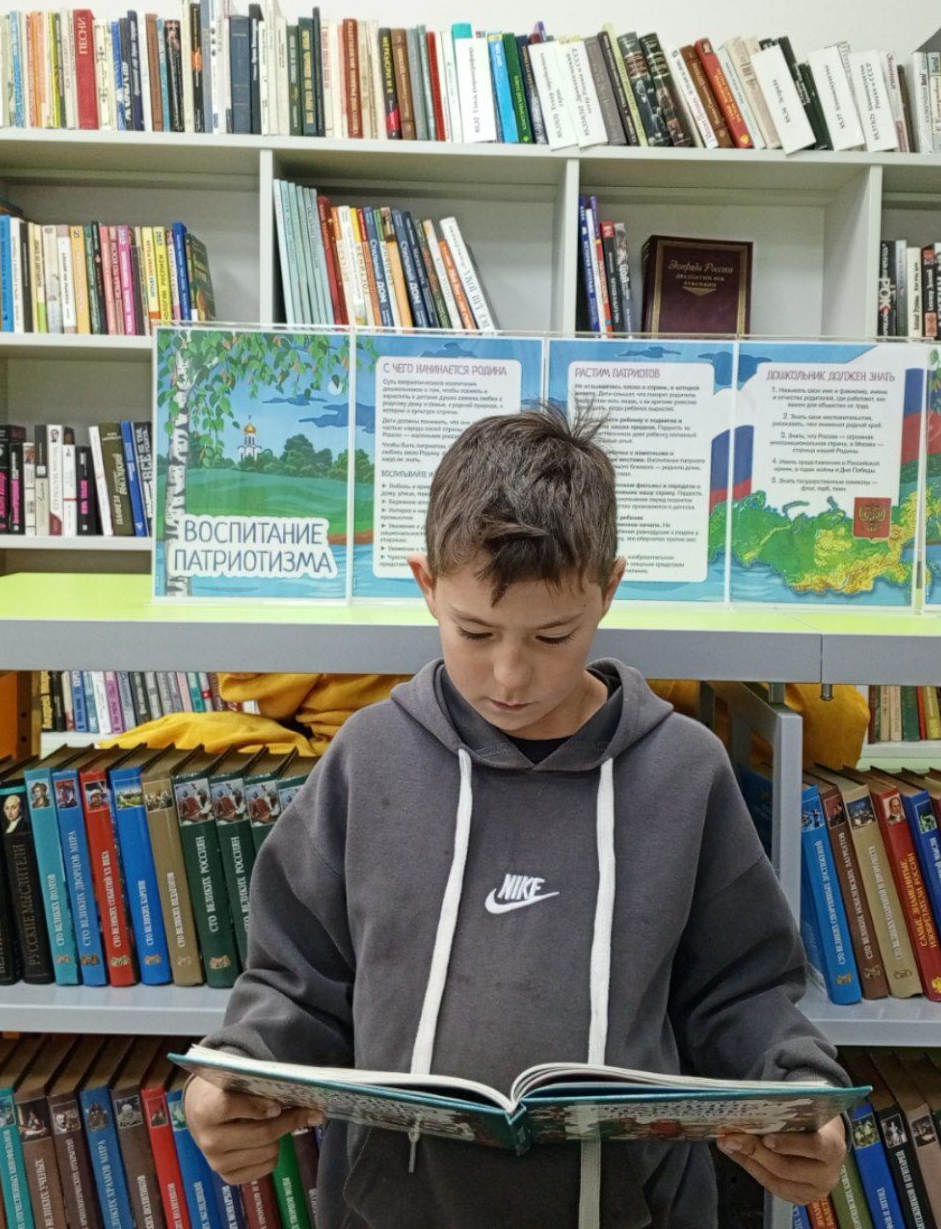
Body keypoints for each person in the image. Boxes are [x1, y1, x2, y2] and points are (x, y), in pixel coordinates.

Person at [184, 410, 848, 1227]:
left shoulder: (684, 771)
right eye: (474, 630)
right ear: (426, 584)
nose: (509, 674)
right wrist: (235, 1070)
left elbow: (740, 991)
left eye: (552, 635)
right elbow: (296, 977)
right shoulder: (369, 757)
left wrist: (798, 1091)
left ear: (609, 589)